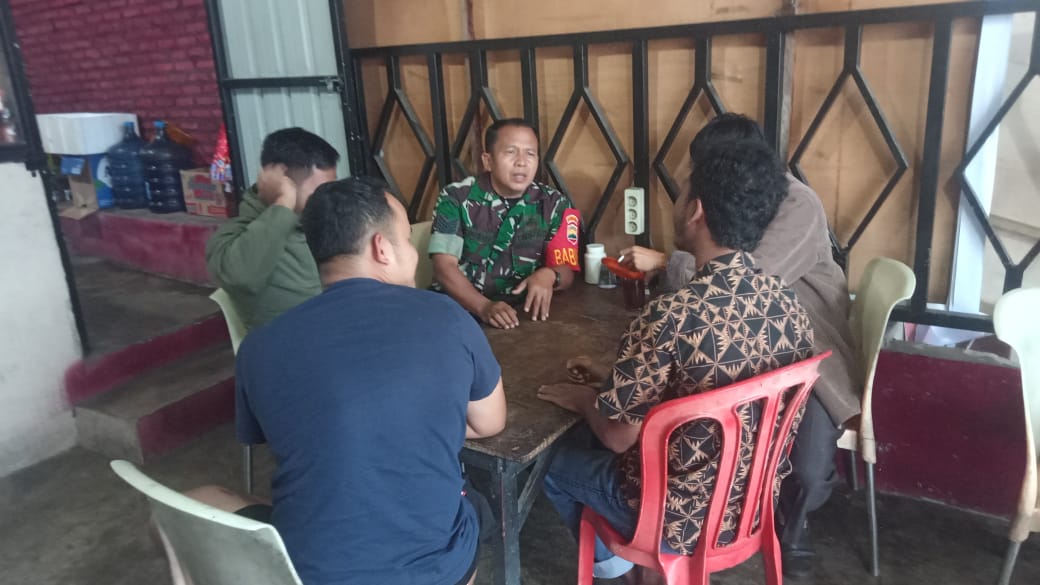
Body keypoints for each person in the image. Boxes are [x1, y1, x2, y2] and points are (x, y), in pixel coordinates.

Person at [194, 177, 507, 585]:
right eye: (407, 241)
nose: (414, 254)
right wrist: (418, 420)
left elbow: (285, 437)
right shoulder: (448, 317)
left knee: (201, 497)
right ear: (382, 248)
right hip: (435, 572)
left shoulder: (258, 345)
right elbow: (490, 422)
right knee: (474, 508)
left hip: (306, 573)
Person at [537, 139, 816, 580]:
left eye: (681, 193)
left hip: (675, 519)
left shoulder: (671, 313)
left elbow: (618, 438)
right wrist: (611, 378)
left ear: (696, 211)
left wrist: (585, 399)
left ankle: (616, 566)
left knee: (551, 463)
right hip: (750, 502)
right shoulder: (787, 303)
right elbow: (707, 388)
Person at [618, 113, 860, 577]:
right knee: (693, 405)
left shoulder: (798, 203)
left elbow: (744, 282)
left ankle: (793, 523)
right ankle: (711, 509)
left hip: (801, 344)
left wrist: (668, 261)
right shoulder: (731, 203)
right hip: (740, 336)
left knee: (807, 466)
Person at [429, 118, 579, 329]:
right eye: (511, 152)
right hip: (458, 311)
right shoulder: (456, 198)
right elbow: (443, 267)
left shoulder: (555, 204)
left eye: (530, 153)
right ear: (488, 161)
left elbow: (567, 270)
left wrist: (550, 275)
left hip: (520, 313)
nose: (521, 162)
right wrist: (483, 307)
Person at [205, 127, 339, 330]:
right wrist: (284, 201)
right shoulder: (233, 238)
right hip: (298, 343)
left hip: (339, 330)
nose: (324, 201)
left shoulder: (316, 224)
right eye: (316, 194)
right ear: (282, 180)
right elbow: (240, 277)